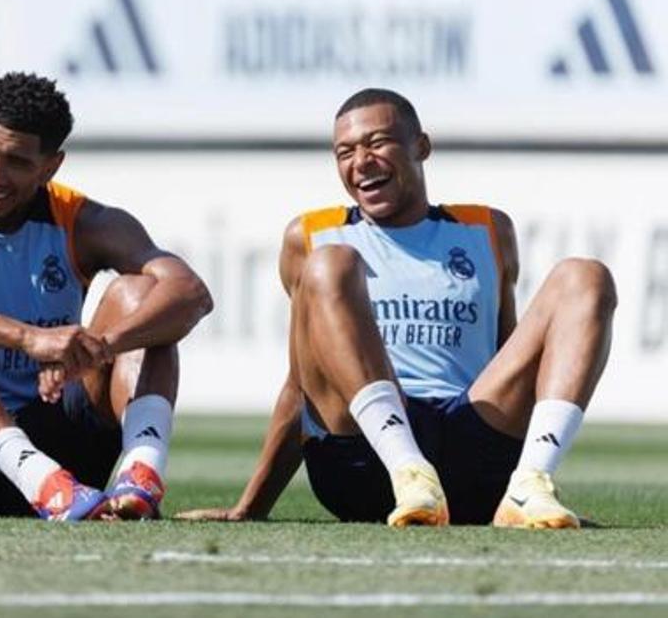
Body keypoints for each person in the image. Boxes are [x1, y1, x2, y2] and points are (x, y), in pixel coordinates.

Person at [179, 89, 616, 528]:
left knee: (586, 276)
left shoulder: (487, 229)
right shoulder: (311, 237)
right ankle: (410, 472)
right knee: (332, 263)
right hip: (367, 463)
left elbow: (512, 356)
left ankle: (530, 485)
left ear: (420, 147)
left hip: (472, 453)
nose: (361, 161)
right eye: (345, 152)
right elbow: (303, 382)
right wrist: (250, 508)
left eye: (377, 142)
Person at [0, 72, 212, 520]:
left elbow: (191, 294)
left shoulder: (85, 221)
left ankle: (140, 475)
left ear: (51, 166)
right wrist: (29, 339)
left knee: (141, 295)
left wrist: (100, 347)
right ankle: (37, 478)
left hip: (64, 461)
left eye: (17, 162)